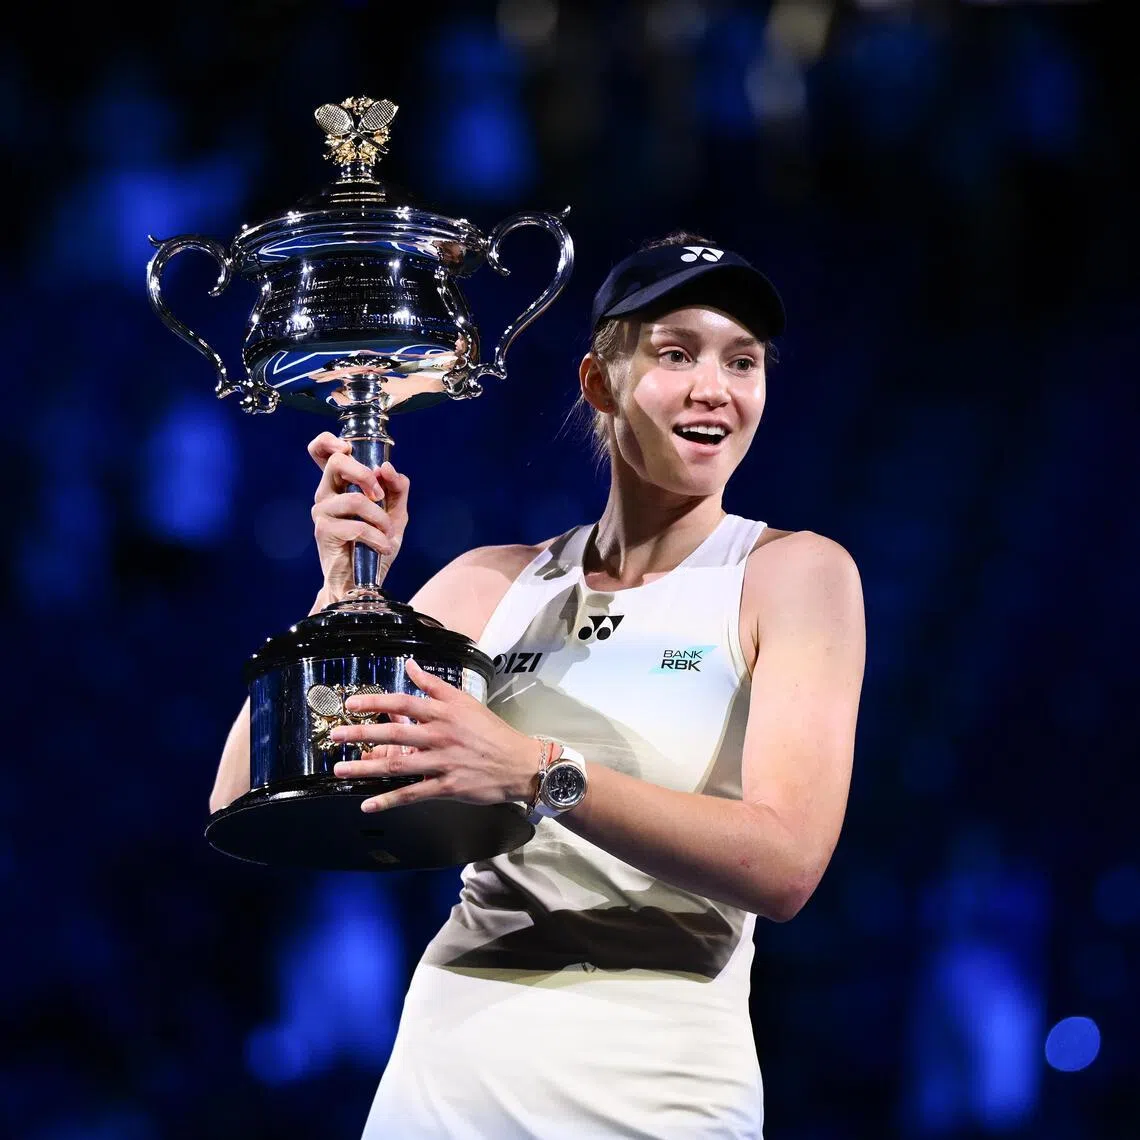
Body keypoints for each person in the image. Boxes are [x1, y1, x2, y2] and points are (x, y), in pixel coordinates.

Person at [211, 232, 867, 1138]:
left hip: (659, 1088)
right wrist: (340, 598)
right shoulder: (491, 583)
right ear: (600, 383)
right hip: (447, 1078)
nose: (715, 387)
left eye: (743, 361)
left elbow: (787, 866)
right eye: (676, 354)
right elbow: (247, 792)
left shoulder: (794, 575)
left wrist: (538, 772)